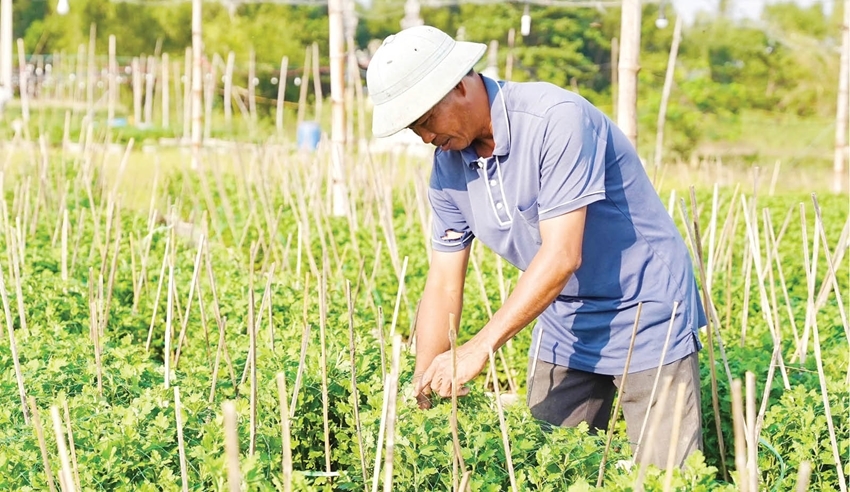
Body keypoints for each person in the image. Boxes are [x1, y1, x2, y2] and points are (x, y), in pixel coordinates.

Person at [366, 25, 706, 468]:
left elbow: (563, 255)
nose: (426, 138)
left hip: (645, 308)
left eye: (427, 120)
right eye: (414, 129)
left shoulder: (555, 119)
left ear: (462, 84)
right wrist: (426, 379)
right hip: (562, 315)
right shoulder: (448, 166)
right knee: (548, 464)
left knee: (668, 475)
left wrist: (478, 349)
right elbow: (444, 282)